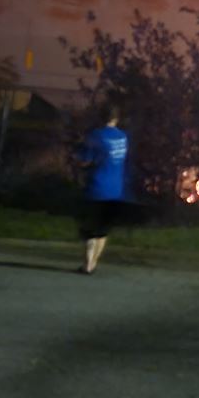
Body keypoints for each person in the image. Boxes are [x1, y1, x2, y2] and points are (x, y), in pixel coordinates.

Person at [75, 104, 131, 274]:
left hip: (96, 187)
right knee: (103, 230)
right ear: (116, 118)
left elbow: (84, 160)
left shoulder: (96, 136)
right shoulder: (123, 138)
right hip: (115, 189)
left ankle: (88, 265)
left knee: (91, 229)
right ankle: (94, 263)